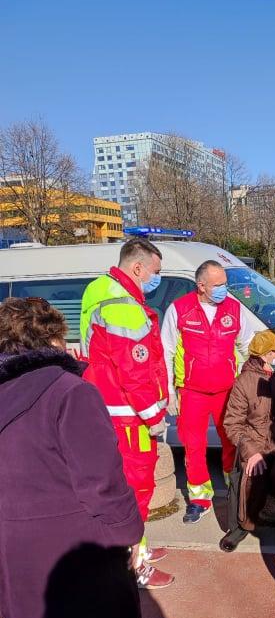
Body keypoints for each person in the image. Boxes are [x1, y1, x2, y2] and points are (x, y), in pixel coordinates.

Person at [0, 298, 187, 618]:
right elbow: (102, 481)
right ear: (52, 339)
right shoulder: (69, 391)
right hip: (77, 541)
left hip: (13, 545)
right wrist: (129, 532)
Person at [80, 237, 173, 589]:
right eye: (155, 272)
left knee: (125, 488)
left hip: (111, 411)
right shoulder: (123, 307)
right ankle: (135, 564)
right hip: (129, 417)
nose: (156, 279)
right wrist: (154, 417)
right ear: (137, 268)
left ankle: (140, 547)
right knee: (137, 489)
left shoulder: (99, 290)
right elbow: (135, 373)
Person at [161, 260, 254, 524]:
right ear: (201, 286)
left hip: (227, 391)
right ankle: (200, 499)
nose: (224, 289)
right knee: (193, 447)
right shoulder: (179, 310)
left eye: (225, 283)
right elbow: (166, 351)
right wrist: (168, 391)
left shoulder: (234, 309)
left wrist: (251, 384)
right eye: (219, 285)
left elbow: (247, 347)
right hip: (192, 391)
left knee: (231, 442)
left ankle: (233, 493)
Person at [220, 329, 275, 551]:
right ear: (266, 355)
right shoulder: (244, 382)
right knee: (252, 472)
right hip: (254, 439)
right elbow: (232, 423)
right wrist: (250, 451)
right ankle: (244, 525)